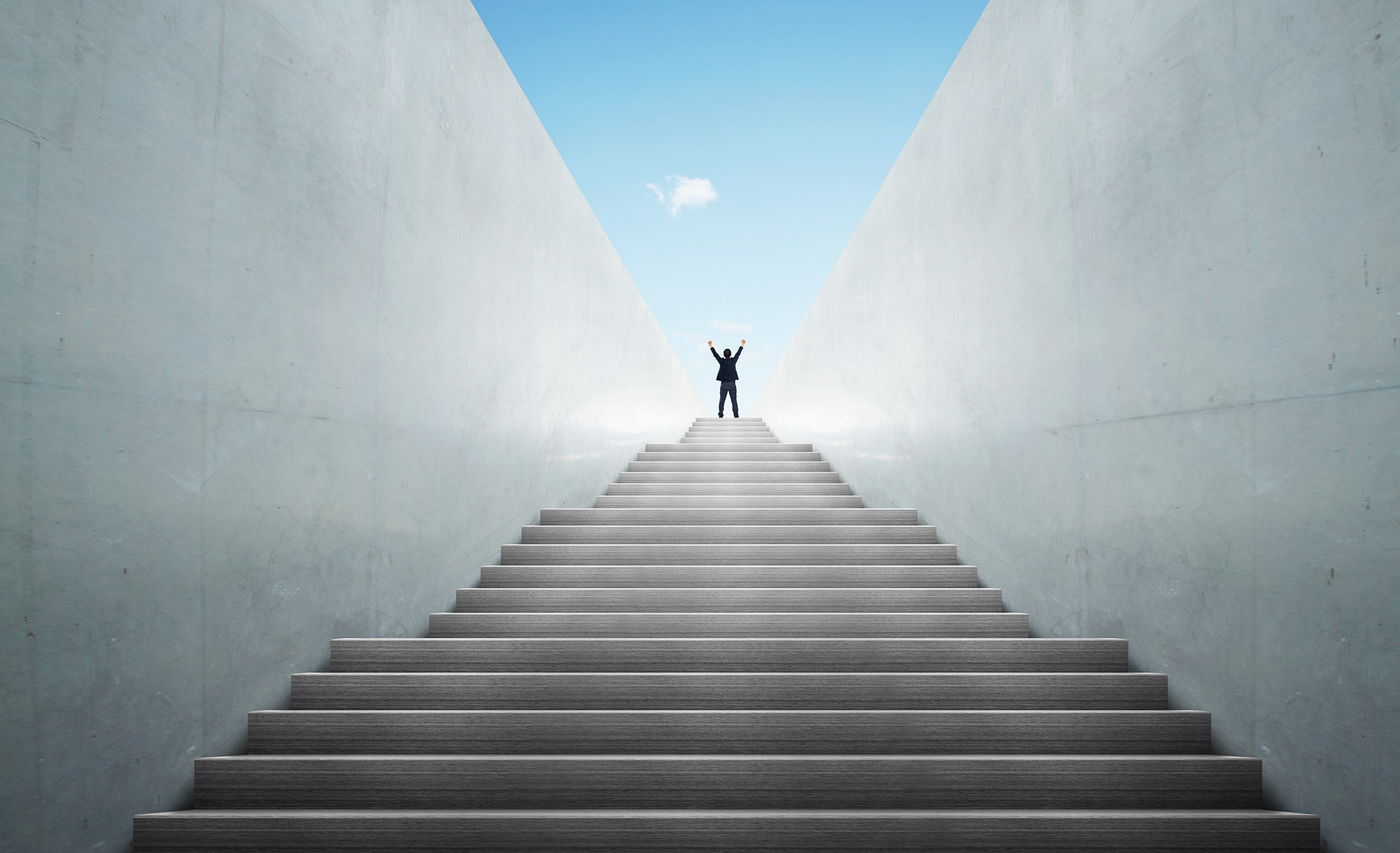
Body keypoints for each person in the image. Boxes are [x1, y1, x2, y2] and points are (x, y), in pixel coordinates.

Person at [709, 339, 744, 417]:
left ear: (723, 355)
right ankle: (736, 414)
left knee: (722, 400)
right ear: (731, 354)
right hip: (732, 384)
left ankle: (720, 414)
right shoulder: (733, 361)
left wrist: (711, 346)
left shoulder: (721, 361)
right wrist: (742, 345)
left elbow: (715, 355)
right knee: (734, 400)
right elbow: (738, 354)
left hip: (724, 384)